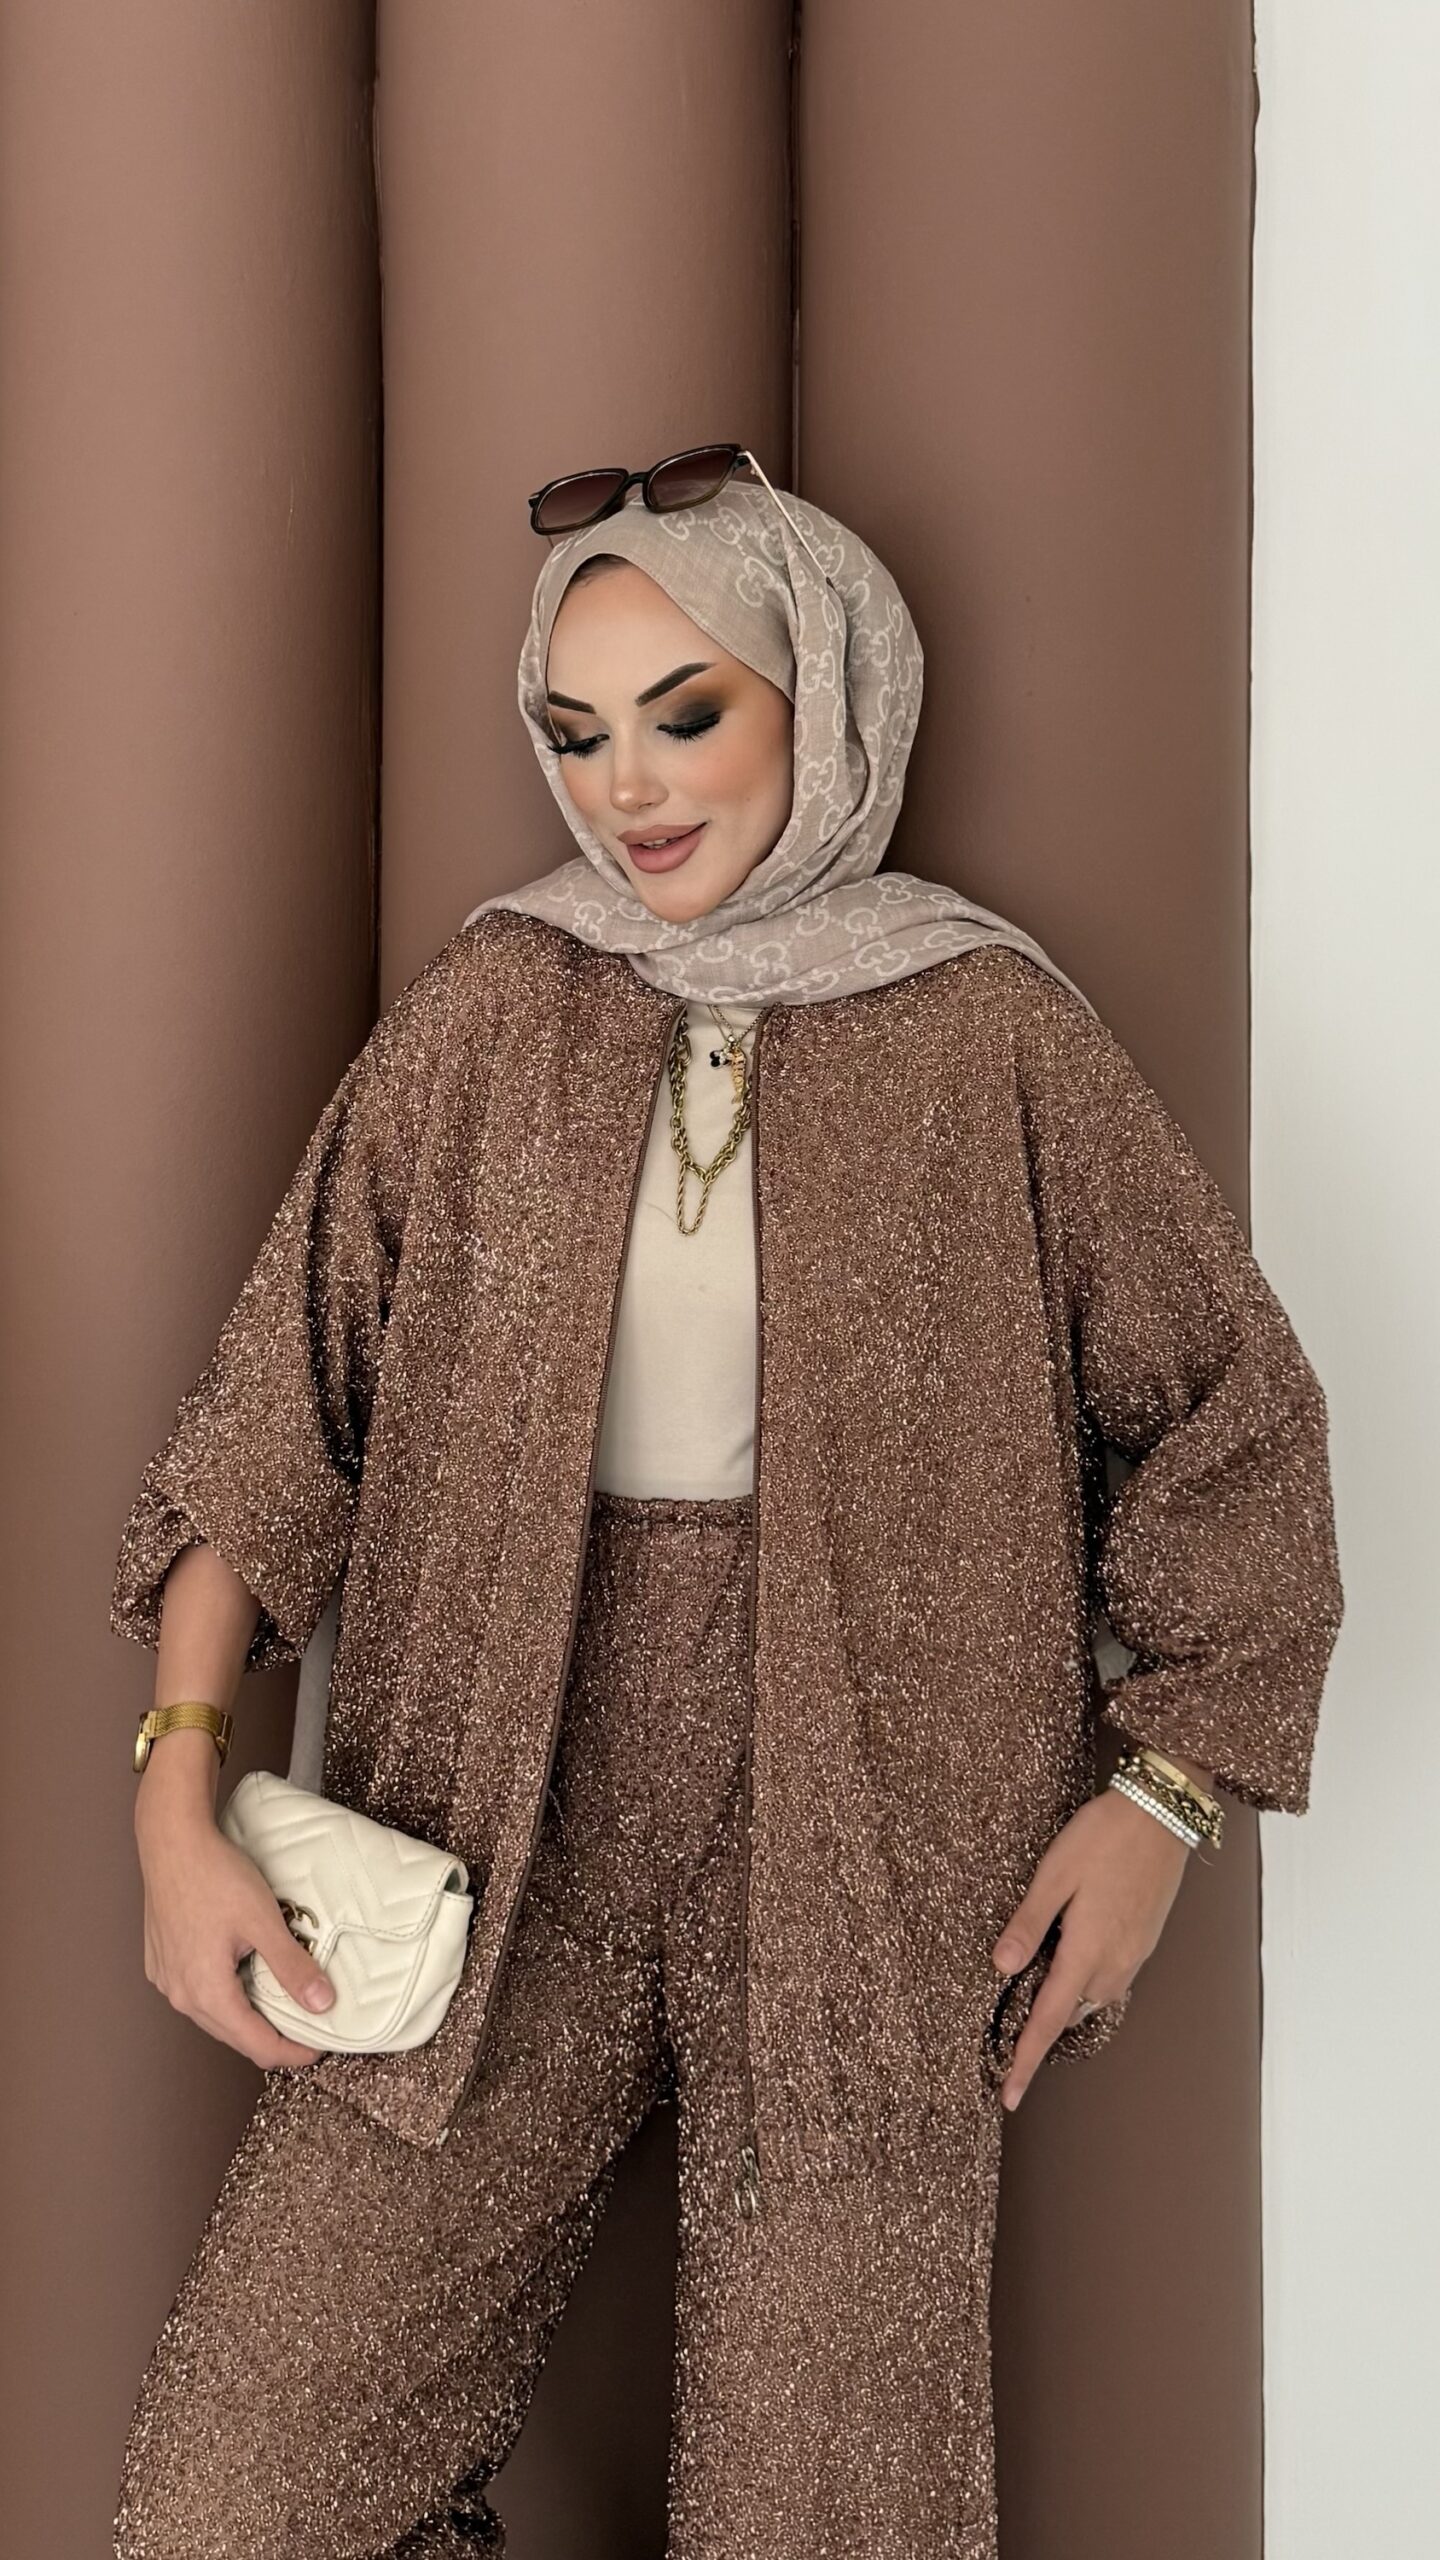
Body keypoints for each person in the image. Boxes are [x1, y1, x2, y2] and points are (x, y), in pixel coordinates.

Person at [110, 449, 1344, 2559]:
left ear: (825, 695)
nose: (629, 788)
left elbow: (1237, 1421)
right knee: (235, 2499)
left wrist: (1165, 1802)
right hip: (489, 1808)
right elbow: (274, 1417)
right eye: (578, 729)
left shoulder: (993, 1035)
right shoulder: (491, 1011)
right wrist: (175, 1789)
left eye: (688, 714)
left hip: (876, 1837)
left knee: (832, 2514)